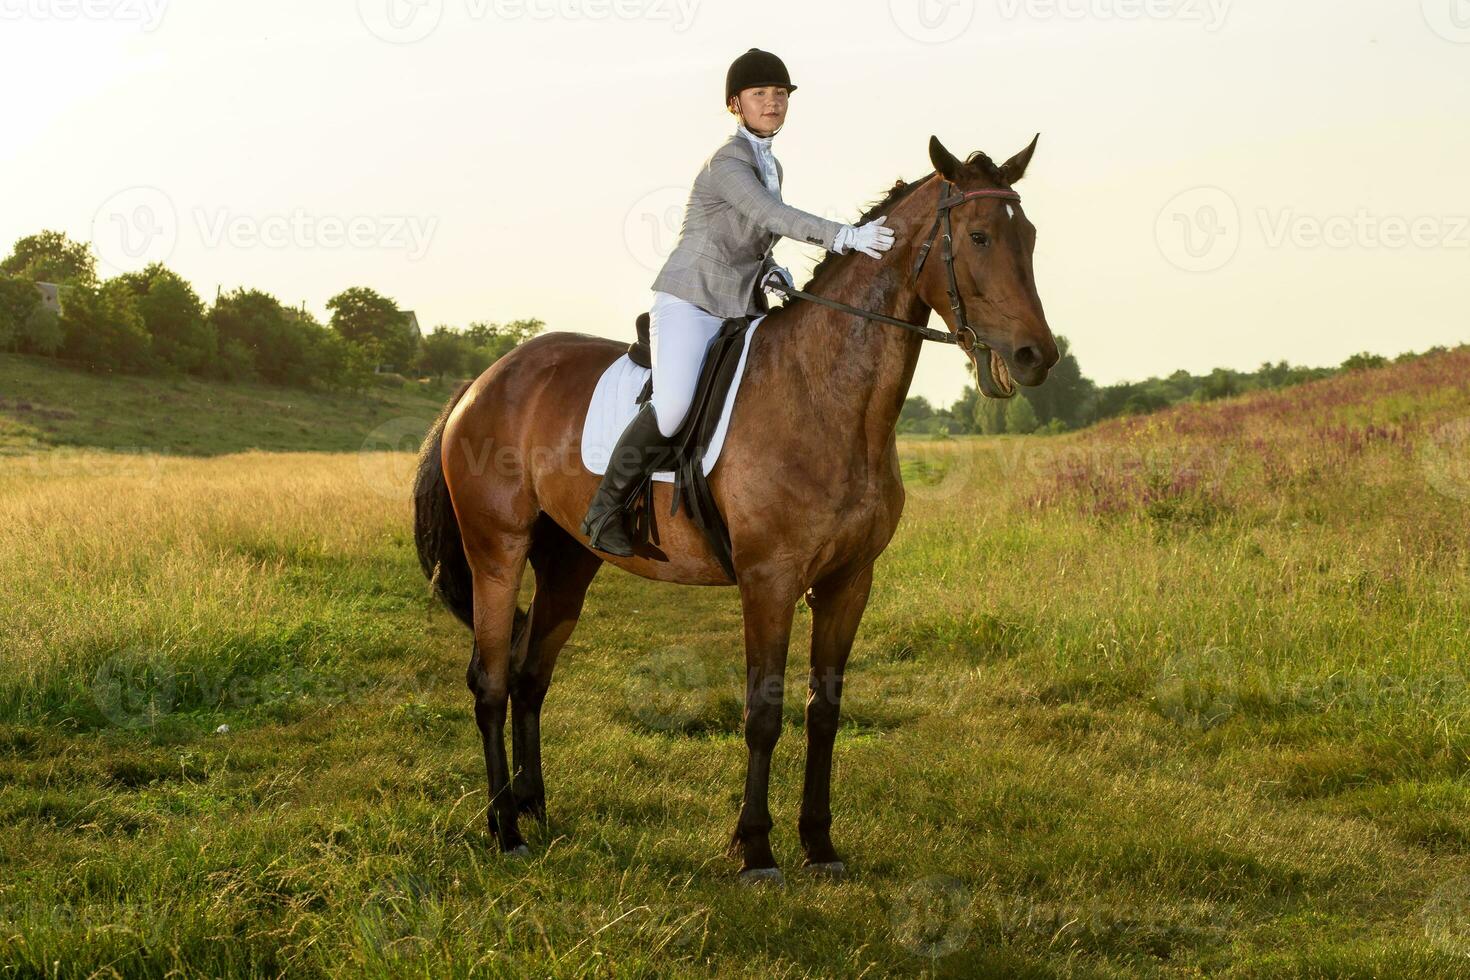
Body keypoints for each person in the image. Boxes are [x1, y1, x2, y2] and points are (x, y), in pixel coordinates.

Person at [579, 47, 898, 557]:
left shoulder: (770, 163)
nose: (772, 102)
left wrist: (770, 268)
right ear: (736, 104)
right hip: (689, 300)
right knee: (674, 404)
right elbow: (768, 213)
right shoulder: (728, 160)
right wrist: (846, 237)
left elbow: (752, 234)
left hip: (739, 305)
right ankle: (604, 509)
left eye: (780, 93)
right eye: (760, 94)